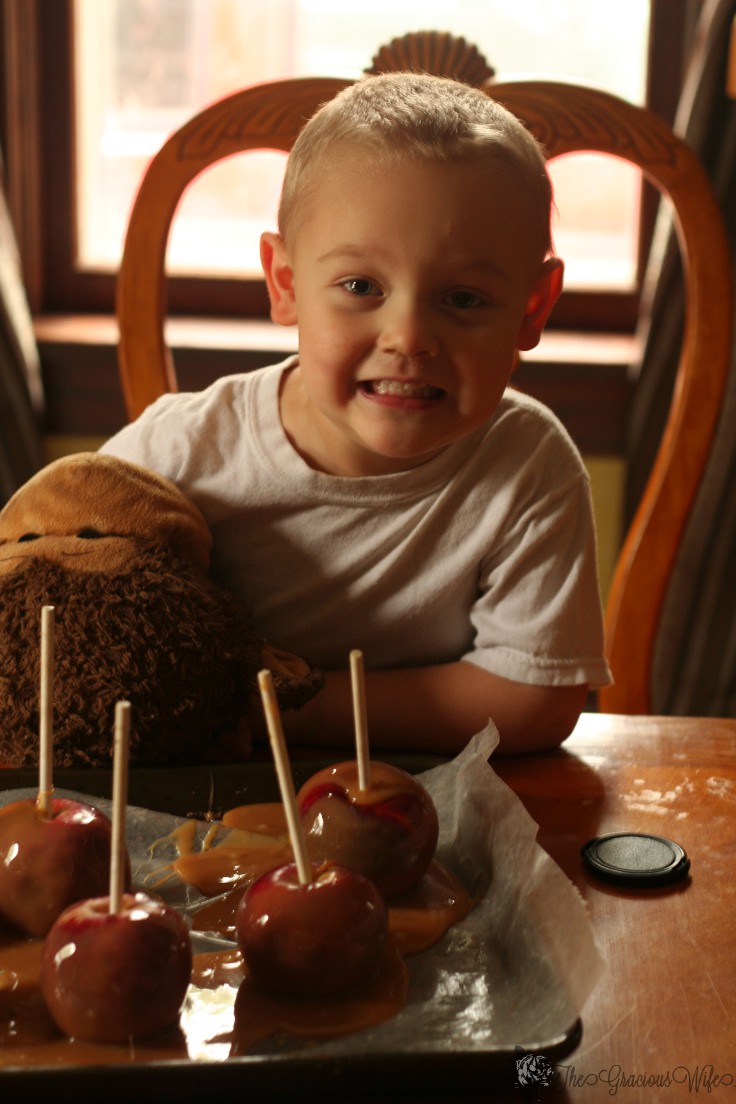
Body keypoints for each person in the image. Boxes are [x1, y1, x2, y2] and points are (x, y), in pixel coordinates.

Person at [100, 71, 612, 756]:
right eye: (360, 286)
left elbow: (533, 700)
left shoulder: (528, 465)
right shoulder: (182, 453)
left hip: (436, 815)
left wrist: (289, 710)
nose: (408, 337)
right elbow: (49, 586)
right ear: (285, 284)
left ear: (533, 307)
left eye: (463, 299)